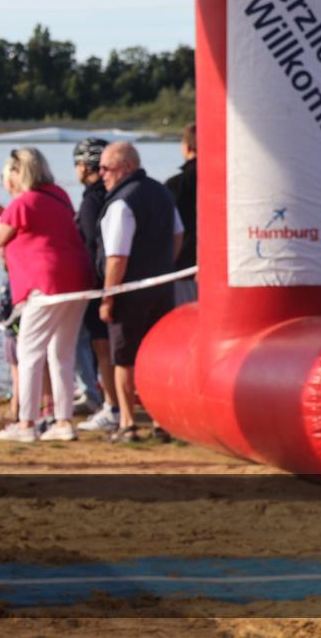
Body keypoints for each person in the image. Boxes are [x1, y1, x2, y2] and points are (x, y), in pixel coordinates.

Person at [0, 148, 94, 443]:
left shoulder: (21, 203)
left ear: (16, 174)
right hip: (77, 279)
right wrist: (3, 212)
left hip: (45, 285)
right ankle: (63, 422)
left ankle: (27, 422)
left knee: (29, 353)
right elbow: (35, 222)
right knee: (61, 353)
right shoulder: (58, 195)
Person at [96, 142, 184, 443]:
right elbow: (178, 235)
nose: (101, 174)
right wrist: (162, 265)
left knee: (124, 358)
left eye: (106, 168)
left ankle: (128, 422)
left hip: (129, 291)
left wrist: (108, 297)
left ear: (127, 168)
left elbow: (116, 257)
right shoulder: (162, 192)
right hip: (161, 287)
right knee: (155, 355)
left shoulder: (122, 203)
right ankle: (161, 421)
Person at [71, 138, 124, 433]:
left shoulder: (92, 199)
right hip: (111, 280)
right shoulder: (111, 193)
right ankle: (109, 401)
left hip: (98, 282)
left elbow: (91, 242)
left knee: (102, 347)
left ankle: (111, 405)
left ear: (83, 166)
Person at [165, 123, 198, 305]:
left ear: (186, 146)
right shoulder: (227, 177)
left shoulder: (176, 184)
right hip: (218, 267)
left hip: (183, 265)